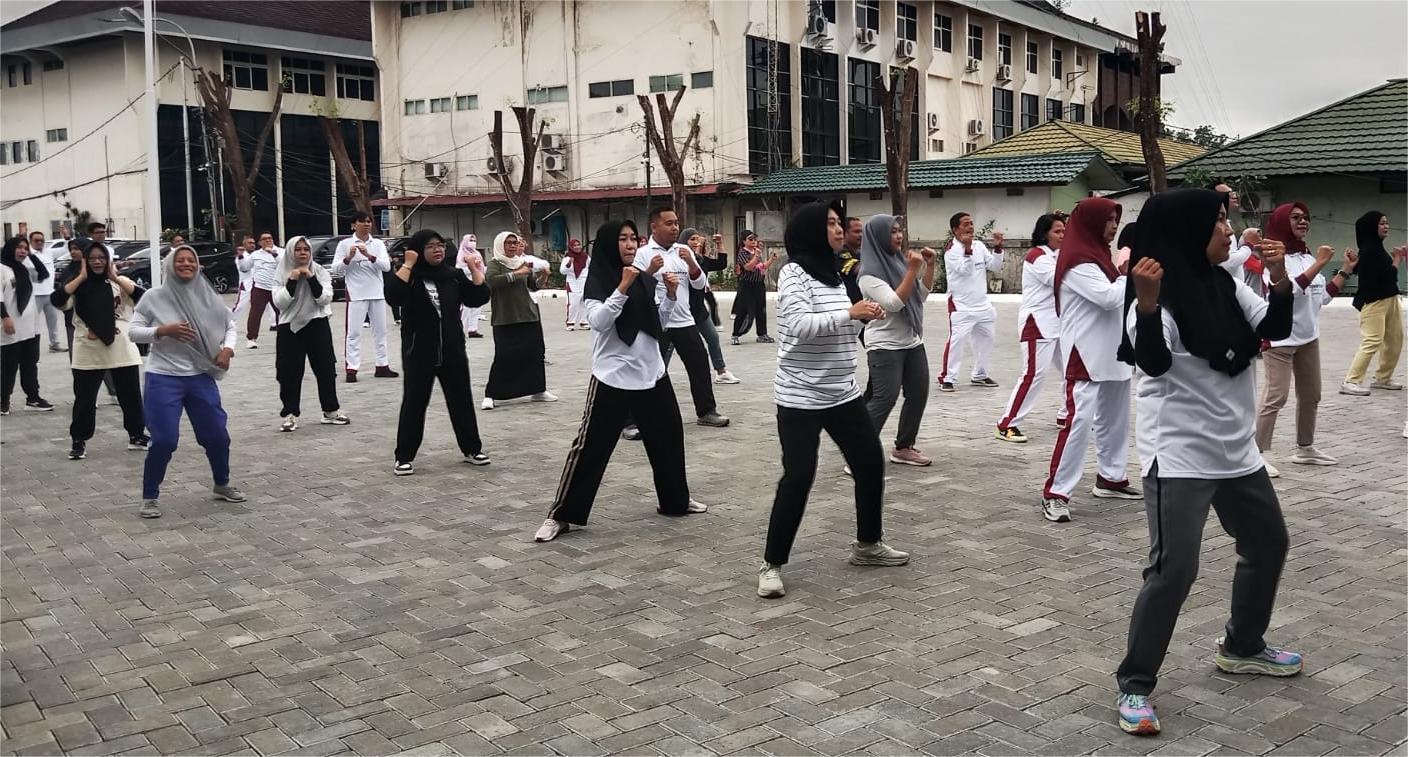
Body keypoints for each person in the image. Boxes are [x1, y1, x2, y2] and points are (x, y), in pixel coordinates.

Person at [1113, 188, 1299, 738]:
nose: (1228, 229)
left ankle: (1242, 646)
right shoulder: (1156, 295)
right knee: (1174, 570)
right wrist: (1148, 305)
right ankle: (1134, 684)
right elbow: (1153, 362)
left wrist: (1280, 279)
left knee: (1268, 542)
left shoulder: (1225, 284)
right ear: (1189, 231)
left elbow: (1275, 328)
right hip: (1181, 455)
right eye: (1218, 221)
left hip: (1236, 451)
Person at [757, 200, 908, 600]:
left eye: (840, 223)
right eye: (830, 224)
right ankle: (772, 563)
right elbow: (798, 325)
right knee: (798, 476)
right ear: (810, 230)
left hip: (842, 392)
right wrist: (850, 314)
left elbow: (840, 325)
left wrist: (863, 316)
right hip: (799, 395)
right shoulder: (793, 273)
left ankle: (868, 545)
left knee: (869, 463)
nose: (839, 230)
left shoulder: (835, 274)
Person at [533, 220, 708, 542]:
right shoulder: (599, 279)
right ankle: (561, 515)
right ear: (608, 244)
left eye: (633, 239)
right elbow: (599, 322)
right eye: (622, 239)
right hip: (613, 375)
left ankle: (675, 501)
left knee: (669, 440)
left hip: (651, 372)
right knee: (590, 448)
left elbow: (659, 322)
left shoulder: (643, 277)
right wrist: (622, 288)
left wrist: (670, 295)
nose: (630, 245)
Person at [1039, 197, 1140, 523]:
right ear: (1092, 223)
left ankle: (1111, 477)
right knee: (1078, 422)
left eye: (1115, 220)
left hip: (1112, 351)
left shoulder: (1099, 257)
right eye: (1109, 220)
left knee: (1115, 419)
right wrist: (1130, 275)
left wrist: (1126, 276)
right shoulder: (1078, 260)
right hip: (1086, 353)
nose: (1114, 226)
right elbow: (1108, 297)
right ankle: (1056, 492)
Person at [128, 246, 247, 519]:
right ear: (170, 265)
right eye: (179, 260)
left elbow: (230, 325)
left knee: (217, 435)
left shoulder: (207, 296)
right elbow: (133, 332)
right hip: (163, 377)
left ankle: (222, 483)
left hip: (200, 375)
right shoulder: (153, 297)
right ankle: (150, 496)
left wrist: (228, 350)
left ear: (197, 265)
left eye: (190, 260)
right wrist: (162, 331)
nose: (186, 264)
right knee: (164, 440)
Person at [385, 230, 492, 476]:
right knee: (414, 403)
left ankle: (472, 449)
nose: (438, 250)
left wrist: (474, 268)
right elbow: (394, 296)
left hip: (452, 350)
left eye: (441, 245)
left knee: (461, 400)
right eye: (431, 246)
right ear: (418, 250)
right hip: (419, 352)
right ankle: (404, 456)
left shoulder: (452, 276)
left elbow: (478, 297)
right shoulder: (411, 276)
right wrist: (408, 264)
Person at [1255, 202, 1347, 472]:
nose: (1303, 221)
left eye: (1305, 217)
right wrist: (1321, 262)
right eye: (1295, 218)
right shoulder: (1272, 257)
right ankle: (1254, 454)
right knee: (1276, 397)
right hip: (1280, 341)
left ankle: (1305, 448)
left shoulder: (1306, 256)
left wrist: (1345, 270)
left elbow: (1323, 297)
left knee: (1311, 395)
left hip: (1308, 338)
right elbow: (1289, 290)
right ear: (1282, 221)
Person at [633, 208, 729, 429]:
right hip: (657, 322)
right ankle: (635, 419)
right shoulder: (643, 254)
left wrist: (692, 264)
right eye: (669, 223)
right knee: (650, 369)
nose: (675, 228)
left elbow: (700, 284)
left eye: (676, 223)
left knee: (700, 365)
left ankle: (707, 411)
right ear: (654, 227)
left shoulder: (683, 251)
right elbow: (636, 288)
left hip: (685, 320)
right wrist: (650, 270)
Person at [51, 242, 148, 460]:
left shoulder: (119, 282)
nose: (97, 262)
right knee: (84, 398)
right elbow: (57, 300)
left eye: (102, 258)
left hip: (121, 346)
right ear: (85, 261)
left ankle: (136, 434)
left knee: (131, 395)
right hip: (88, 347)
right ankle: (79, 439)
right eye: (92, 258)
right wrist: (80, 277)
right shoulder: (77, 285)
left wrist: (116, 278)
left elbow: (144, 298)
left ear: (108, 260)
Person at [857, 214, 935, 467]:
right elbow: (893, 303)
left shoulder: (898, 262)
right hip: (885, 346)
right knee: (884, 398)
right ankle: (857, 453)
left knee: (918, 394)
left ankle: (903, 447)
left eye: (900, 230)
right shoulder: (868, 274)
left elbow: (919, 296)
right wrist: (912, 270)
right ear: (878, 237)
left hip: (911, 341)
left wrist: (929, 267)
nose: (899, 236)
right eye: (892, 232)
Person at [997, 213, 1068, 443]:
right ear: (1044, 234)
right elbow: (1059, 280)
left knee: (1071, 372)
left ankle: (1067, 415)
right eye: (1057, 231)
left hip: (1060, 324)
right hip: (1038, 324)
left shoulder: (1060, 254)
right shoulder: (1037, 256)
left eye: (1064, 230)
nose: (1063, 235)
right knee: (1034, 374)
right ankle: (1007, 423)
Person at [271, 236, 348, 432]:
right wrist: (293, 280)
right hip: (290, 327)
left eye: (306, 249)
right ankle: (290, 413)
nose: (303, 253)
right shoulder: (281, 272)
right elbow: (280, 303)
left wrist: (311, 278)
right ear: (291, 252)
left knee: (326, 368)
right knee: (289, 372)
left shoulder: (320, 271)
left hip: (317, 323)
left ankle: (330, 410)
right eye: (298, 249)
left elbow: (325, 299)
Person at [482, 231, 556, 409]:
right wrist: (516, 273)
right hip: (505, 317)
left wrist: (544, 276)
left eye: (515, 243)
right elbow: (491, 281)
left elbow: (532, 286)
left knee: (534, 354)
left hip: (528, 315)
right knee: (504, 356)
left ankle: (538, 390)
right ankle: (491, 394)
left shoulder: (520, 262)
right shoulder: (495, 263)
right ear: (500, 245)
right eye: (508, 243)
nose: (513, 246)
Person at [937, 213, 1003, 392]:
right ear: (955, 230)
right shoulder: (951, 250)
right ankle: (948, 378)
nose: (970, 227)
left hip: (983, 305)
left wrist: (998, 248)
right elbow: (964, 271)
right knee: (957, 342)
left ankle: (980, 374)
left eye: (972, 223)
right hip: (961, 306)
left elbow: (995, 266)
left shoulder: (979, 246)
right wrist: (967, 249)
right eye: (966, 224)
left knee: (987, 340)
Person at [1340, 211, 1404, 395]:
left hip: (1390, 299)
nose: (1386, 226)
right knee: (1372, 340)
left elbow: (1368, 271)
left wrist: (1356, 262)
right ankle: (1351, 381)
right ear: (1371, 227)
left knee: (1395, 340)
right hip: (1374, 302)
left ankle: (1382, 378)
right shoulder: (1370, 250)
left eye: (1386, 223)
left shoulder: (1374, 248)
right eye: (1382, 223)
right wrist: (1397, 259)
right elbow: (1388, 275)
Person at [332, 213, 397, 382]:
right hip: (356, 294)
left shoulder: (377, 244)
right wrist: (348, 258)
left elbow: (386, 266)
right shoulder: (345, 244)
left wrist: (369, 256)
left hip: (377, 293)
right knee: (353, 333)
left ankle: (382, 365)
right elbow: (336, 269)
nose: (367, 224)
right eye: (362, 221)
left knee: (380, 331)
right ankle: (352, 369)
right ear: (354, 225)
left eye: (369, 221)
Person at [1, 236, 54, 414]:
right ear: (10, 248)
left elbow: (44, 274)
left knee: (30, 364)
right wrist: (5, 317)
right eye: (19, 247)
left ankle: (33, 398)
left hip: (30, 327)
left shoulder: (24, 269)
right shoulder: (2, 268)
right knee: (8, 367)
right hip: (10, 327)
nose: (23, 251)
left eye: (26, 248)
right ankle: (3, 400)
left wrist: (31, 255)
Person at [681, 227, 739, 384]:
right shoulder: (677, 260)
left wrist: (720, 244)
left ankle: (721, 372)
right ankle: (658, 375)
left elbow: (721, 264)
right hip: (681, 311)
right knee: (669, 346)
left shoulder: (701, 260)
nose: (696, 242)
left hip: (699, 310)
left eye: (697, 239)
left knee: (713, 338)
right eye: (692, 239)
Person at [240, 231, 283, 349]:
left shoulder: (280, 252)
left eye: (270, 238)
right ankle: (251, 339)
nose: (268, 240)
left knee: (282, 313)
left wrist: (273, 254)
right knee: (255, 313)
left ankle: (285, 336)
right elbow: (244, 268)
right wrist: (240, 257)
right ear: (260, 243)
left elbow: (284, 265)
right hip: (260, 287)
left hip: (276, 287)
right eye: (265, 239)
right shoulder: (255, 255)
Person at [730, 229, 774, 344]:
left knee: (761, 310)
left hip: (759, 284)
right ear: (744, 241)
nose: (754, 241)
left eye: (755, 239)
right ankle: (735, 334)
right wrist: (756, 256)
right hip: (747, 285)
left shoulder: (756, 252)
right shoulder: (743, 253)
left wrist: (771, 260)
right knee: (744, 310)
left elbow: (762, 267)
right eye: (750, 239)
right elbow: (748, 267)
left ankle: (762, 334)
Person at [27, 230, 64, 353]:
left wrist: (67, 236)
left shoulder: (48, 252)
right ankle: (30, 348)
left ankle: (54, 343)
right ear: (30, 241)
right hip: (34, 294)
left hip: (50, 293)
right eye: (36, 240)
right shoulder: (27, 255)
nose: (40, 243)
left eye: (42, 240)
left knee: (53, 320)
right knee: (32, 322)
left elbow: (66, 250)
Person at [456, 234, 485, 338]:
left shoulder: (477, 254)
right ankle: (460, 329)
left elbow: (482, 268)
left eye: (474, 240)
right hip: (466, 283)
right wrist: (472, 267)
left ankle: (473, 329)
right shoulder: (461, 254)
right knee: (466, 308)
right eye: (470, 240)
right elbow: (459, 269)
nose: (473, 242)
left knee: (477, 306)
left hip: (477, 282)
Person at [560, 238, 590, 330]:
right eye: (574, 246)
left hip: (584, 282)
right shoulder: (568, 258)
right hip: (573, 283)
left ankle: (584, 321)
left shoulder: (585, 257)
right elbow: (562, 271)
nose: (577, 247)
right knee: (573, 304)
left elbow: (591, 267)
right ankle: (570, 322)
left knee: (584, 303)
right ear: (571, 247)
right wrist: (569, 264)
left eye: (578, 245)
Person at [230, 235, 256, 327]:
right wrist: (241, 257)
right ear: (244, 245)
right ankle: (230, 321)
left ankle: (274, 323)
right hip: (246, 284)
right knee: (240, 305)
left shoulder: (257, 255)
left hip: (258, 283)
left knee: (268, 303)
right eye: (250, 243)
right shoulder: (240, 257)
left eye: (253, 243)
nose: (252, 245)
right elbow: (243, 269)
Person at [839, 216, 864, 303]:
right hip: (848, 303)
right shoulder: (840, 252)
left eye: (862, 231)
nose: (861, 235)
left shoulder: (861, 253)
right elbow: (858, 269)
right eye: (856, 232)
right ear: (845, 233)